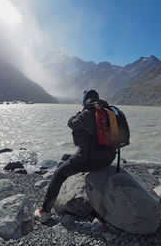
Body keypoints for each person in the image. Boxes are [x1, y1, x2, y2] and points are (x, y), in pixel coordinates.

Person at [34, 89, 116, 223]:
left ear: (85, 101)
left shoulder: (88, 113)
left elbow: (71, 123)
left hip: (90, 160)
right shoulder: (109, 112)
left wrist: (81, 111)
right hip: (108, 158)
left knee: (60, 173)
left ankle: (44, 212)